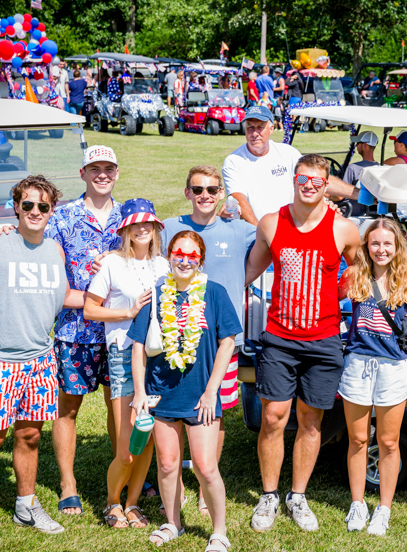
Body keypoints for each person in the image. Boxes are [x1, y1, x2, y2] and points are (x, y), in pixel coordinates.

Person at [245, 154, 361, 533]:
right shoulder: (271, 223)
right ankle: (268, 495)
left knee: (311, 421)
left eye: (317, 180)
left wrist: (344, 289)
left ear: (327, 185)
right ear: (293, 180)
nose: (309, 184)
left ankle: (298, 495)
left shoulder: (343, 228)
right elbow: (250, 271)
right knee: (274, 416)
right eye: (303, 178)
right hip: (279, 337)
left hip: (324, 339)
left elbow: (358, 267)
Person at [0, 176, 69, 552]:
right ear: (16, 207)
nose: (35, 212)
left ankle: (26, 504)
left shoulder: (55, 250)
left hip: (41, 361)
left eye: (43, 206)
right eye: (28, 205)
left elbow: (62, 295)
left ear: (51, 211)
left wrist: (115, 300)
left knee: (30, 436)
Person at [128, 231, 240, 550]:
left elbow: (227, 342)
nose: (185, 260)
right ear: (169, 255)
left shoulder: (214, 293)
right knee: (166, 463)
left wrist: (211, 391)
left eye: (192, 255)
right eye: (179, 253)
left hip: (201, 394)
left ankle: (219, 531)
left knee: (205, 465)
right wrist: (139, 392)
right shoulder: (156, 293)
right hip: (161, 392)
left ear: (200, 260)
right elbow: (137, 346)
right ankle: (172, 523)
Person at [161, 166, 256, 515]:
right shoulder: (169, 228)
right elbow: (133, 244)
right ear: (187, 192)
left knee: (211, 415)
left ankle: (205, 484)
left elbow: (270, 238)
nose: (205, 196)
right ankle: (176, 484)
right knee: (175, 414)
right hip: (176, 341)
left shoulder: (238, 229)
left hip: (220, 344)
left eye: (213, 190)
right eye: (198, 189)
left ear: (221, 194)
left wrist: (242, 204)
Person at [46, 145, 124, 516]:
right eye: (95, 168)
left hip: (121, 332)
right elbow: (54, 281)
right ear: (83, 173)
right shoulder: (61, 218)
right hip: (76, 329)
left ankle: (123, 473)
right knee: (69, 408)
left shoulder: (128, 216)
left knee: (120, 406)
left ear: (117, 172)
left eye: (109, 168)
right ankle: (67, 483)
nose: (102, 175)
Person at [84, 198, 168, 528]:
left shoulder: (164, 266)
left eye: (148, 223)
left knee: (146, 437)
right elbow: (91, 309)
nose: (142, 228)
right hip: (122, 354)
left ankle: (133, 504)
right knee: (126, 446)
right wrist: (128, 313)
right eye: (136, 224)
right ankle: (112, 502)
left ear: (156, 228)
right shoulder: (112, 265)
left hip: (158, 357)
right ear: (126, 230)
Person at [338, 219, 407, 535]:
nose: (381, 249)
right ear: (366, 246)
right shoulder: (354, 276)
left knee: (388, 441)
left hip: (393, 366)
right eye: (375, 243)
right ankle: (358, 504)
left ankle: (383, 509)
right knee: (359, 439)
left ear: (397, 246)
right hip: (359, 364)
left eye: (388, 243)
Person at [222, 106, 358, 225]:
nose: (254, 133)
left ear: (271, 129)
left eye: (260, 127)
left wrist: (360, 194)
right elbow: (239, 200)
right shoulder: (234, 161)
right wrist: (260, 234)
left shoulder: (287, 153)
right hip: (257, 233)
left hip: (292, 228)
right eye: (250, 127)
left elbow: (317, 177)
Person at [340, 131, 379, 217]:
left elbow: (341, 194)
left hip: (350, 213)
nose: (356, 146)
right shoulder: (379, 168)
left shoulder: (353, 168)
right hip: (371, 214)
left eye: (358, 143)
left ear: (365, 145)